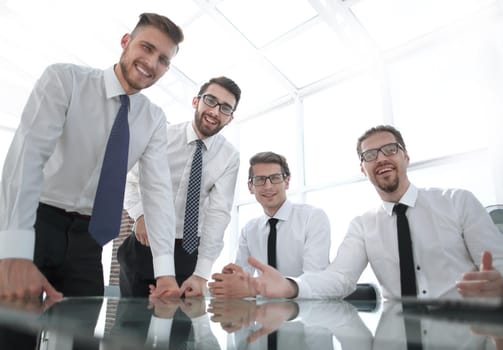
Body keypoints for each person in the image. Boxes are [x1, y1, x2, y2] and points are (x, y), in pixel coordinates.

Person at [0, 13, 184, 301]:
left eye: (163, 60)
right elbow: (27, 160)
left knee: (80, 333)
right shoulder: (65, 80)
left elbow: (158, 193)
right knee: (13, 328)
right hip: (36, 219)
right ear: (126, 41)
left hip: (88, 237)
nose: (152, 63)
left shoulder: (154, 118)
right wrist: (13, 251)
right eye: (147, 48)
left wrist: (165, 274)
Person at [246, 125, 503, 299]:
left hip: (467, 333)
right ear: (362, 168)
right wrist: (292, 286)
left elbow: (498, 264)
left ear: (406, 157)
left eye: (390, 150)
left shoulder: (458, 202)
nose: (381, 159)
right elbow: (340, 278)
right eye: (370, 155)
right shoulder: (363, 225)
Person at [118, 76, 241, 297]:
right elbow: (129, 179)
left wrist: (202, 273)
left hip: (188, 252)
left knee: (181, 328)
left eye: (225, 108)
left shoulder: (229, 156)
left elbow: (218, 213)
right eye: (210, 100)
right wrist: (139, 216)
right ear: (196, 101)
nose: (215, 111)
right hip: (147, 242)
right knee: (133, 326)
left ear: (230, 118)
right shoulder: (161, 136)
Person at [209, 151, 331, 298]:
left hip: (307, 313)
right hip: (263, 315)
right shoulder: (249, 230)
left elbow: (315, 281)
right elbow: (243, 282)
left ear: (287, 181)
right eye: (260, 179)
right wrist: (232, 280)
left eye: (275, 178)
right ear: (250, 187)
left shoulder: (313, 217)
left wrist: (256, 287)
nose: (268, 186)